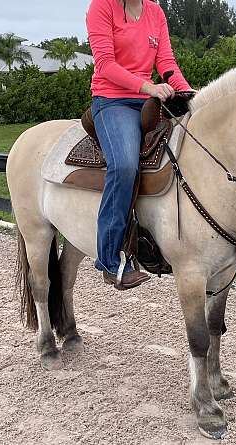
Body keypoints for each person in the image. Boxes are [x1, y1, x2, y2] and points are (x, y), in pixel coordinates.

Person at [86, 0, 192, 290]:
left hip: (149, 99)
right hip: (112, 100)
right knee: (123, 166)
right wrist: (149, 87)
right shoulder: (101, 7)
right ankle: (108, 260)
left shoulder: (155, 11)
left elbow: (166, 63)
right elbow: (105, 65)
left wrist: (184, 91)